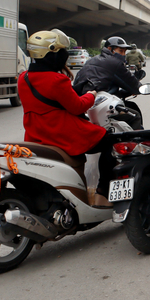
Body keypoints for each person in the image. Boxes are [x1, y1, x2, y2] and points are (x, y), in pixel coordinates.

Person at [18, 29, 115, 204]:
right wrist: (91, 94)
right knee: (110, 141)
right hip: (60, 132)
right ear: (52, 54)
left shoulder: (23, 78)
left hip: (36, 133)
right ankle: (103, 189)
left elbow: (51, 98)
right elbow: (77, 106)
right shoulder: (57, 80)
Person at [73, 36, 143, 129]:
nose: (123, 54)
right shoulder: (115, 63)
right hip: (102, 107)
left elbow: (77, 82)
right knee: (135, 116)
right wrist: (139, 88)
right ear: (110, 49)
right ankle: (134, 138)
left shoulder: (91, 60)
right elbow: (133, 85)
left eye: (124, 52)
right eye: (120, 51)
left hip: (83, 105)